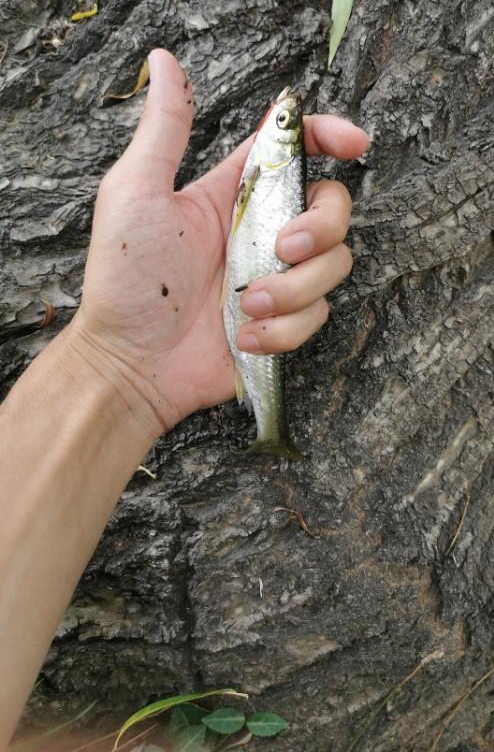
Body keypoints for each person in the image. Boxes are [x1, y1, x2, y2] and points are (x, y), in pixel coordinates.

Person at [0, 49, 368, 747]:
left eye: (282, 124)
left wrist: (114, 366)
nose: (280, 125)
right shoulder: (272, 157)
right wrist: (114, 362)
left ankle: (267, 418)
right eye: (282, 122)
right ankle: (268, 421)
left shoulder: (271, 161)